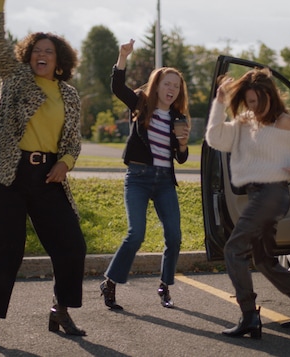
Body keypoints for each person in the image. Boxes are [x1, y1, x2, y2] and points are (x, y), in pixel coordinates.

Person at [0, 0, 86, 344]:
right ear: (27, 55)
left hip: (48, 176)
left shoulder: (68, 94)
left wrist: (66, 163)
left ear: (59, 60)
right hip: (9, 174)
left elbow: (72, 141)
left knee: (71, 244)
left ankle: (60, 310)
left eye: (48, 51)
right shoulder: (16, 77)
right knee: (7, 247)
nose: (42, 54)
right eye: (36, 49)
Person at [204, 68, 290, 339]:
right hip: (257, 195)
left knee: (233, 250)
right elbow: (214, 138)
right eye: (249, 102)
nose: (254, 107)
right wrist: (220, 103)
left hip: (273, 194)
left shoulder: (284, 122)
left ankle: (249, 315)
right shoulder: (246, 121)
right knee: (263, 260)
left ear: (270, 96)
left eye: (258, 101)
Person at [99, 39, 191, 310]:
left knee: (174, 236)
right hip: (138, 178)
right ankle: (110, 282)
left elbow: (181, 158)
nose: (172, 89)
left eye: (176, 86)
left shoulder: (179, 117)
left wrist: (183, 144)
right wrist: (122, 57)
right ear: (157, 85)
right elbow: (117, 87)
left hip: (165, 182)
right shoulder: (140, 104)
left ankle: (165, 286)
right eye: (167, 84)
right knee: (136, 234)